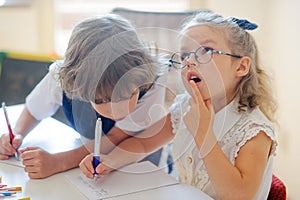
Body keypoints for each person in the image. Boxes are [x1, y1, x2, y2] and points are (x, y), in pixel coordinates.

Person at [79, 10, 277, 200]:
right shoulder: (184, 106)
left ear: (241, 66)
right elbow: (144, 143)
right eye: (184, 55)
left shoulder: (254, 131)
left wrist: (203, 134)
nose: (190, 61)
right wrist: (109, 161)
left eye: (206, 50)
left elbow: (238, 196)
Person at [0, 14, 167, 179]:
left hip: (143, 169)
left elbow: (116, 138)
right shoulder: (63, 78)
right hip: (90, 163)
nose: (117, 110)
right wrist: (17, 134)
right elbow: (33, 109)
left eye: (126, 96)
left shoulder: (150, 79)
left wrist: (58, 162)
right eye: (101, 100)